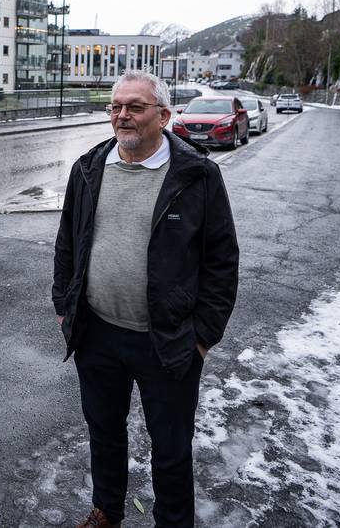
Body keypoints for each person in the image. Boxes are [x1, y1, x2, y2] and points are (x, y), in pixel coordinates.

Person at [53, 70, 239, 527]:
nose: (122, 116)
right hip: (96, 332)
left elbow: (222, 261)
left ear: (163, 116)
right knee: (104, 432)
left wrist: (202, 336)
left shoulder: (197, 177)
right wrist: (65, 307)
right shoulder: (89, 168)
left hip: (169, 342)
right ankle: (107, 510)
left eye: (135, 107)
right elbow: (67, 243)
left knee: (171, 446)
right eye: (116, 107)